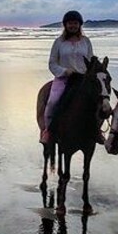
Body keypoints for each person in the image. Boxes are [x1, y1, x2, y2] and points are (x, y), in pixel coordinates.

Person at [41, 10, 95, 144]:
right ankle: (48, 131)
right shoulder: (59, 42)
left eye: (75, 23)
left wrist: (92, 72)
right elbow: (52, 63)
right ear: (65, 25)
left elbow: (90, 60)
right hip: (63, 79)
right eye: (70, 23)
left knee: (98, 101)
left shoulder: (86, 41)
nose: (73, 26)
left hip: (82, 79)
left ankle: (96, 131)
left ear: (79, 25)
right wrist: (65, 71)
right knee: (52, 102)